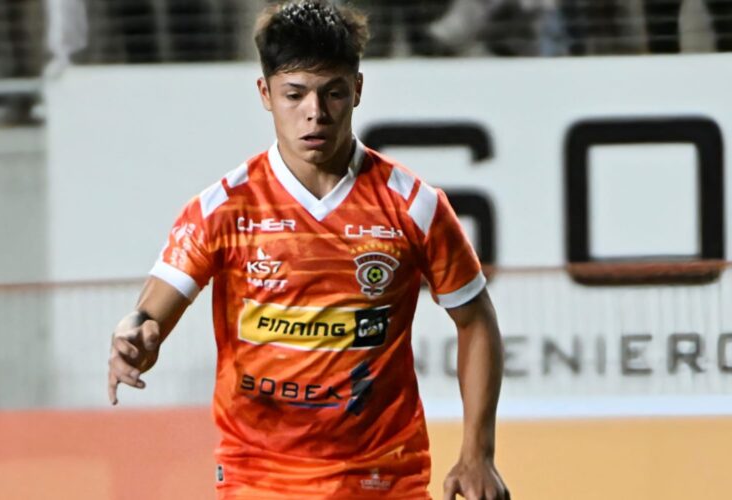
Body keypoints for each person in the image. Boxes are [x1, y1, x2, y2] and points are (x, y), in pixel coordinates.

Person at [107, 1, 510, 498]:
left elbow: (476, 320)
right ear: (265, 93)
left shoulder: (415, 207)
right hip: (260, 477)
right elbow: (147, 313)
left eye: (332, 93)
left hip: (382, 477)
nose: (314, 113)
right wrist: (133, 342)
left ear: (357, 90)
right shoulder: (224, 208)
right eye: (294, 94)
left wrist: (477, 454)